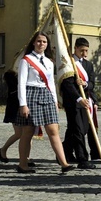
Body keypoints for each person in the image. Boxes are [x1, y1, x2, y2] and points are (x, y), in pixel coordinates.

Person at [15, 31, 75, 173]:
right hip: (31, 94)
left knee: (53, 130)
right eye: (39, 41)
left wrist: (55, 100)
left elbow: (51, 83)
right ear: (34, 43)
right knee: (28, 132)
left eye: (44, 42)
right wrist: (23, 104)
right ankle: (22, 164)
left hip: (46, 94)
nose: (41, 44)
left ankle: (64, 163)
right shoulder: (26, 60)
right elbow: (21, 83)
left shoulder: (49, 62)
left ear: (47, 44)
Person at [61, 37, 97, 169]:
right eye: (82, 50)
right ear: (75, 48)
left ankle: (65, 151)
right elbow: (67, 84)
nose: (85, 54)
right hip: (73, 101)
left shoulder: (88, 65)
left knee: (80, 129)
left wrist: (86, 84)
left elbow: (93, 83)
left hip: (86, 100)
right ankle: (83, 159)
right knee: (77, 130)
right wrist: (78, 98)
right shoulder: (68, 63)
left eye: (87, 50)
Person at [0, 70, 26, 165]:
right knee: (19, 134)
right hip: (15, 111)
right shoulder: (14, 87)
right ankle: (3, 150)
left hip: (19, 110)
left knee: (27, 134)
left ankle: (25, 157)